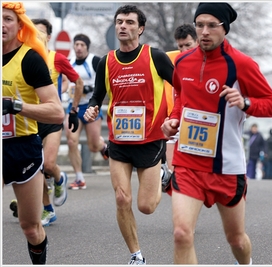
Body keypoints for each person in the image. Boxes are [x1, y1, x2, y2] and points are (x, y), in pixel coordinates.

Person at [161, 3, 272, 264]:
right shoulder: (182, 61)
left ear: (224, 29)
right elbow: (181, 96)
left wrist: (246, 102)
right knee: (182, 234)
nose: (204, 31)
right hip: (188, 162)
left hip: (226, 167)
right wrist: (172, 119)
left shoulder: (241, 64)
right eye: (199, 25)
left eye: (211, 26)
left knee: (236, 239)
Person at [83, 4, 174, 265]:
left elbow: (181, 86)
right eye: (119, 21)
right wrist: (91, 109)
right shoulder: (106, 61)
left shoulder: (155, 57)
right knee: (122, 198)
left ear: (140, 28)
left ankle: (160, 172)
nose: (123, 26)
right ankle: (136, 255)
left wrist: (174, 116)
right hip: (119, 140)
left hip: (150, 139)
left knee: (146, 207)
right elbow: (97, 97)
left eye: (130, 22)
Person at [2, 2, 65, 264]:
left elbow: (56, 112)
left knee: (30, 227)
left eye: (7, 19)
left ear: (19, 26)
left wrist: (15, 106)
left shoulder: (30, 59)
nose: (1, 24)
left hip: (22, 147)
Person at [32, 18, 84, 226]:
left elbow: (77, 82)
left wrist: (73, 110)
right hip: (30, 119)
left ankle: (59, 178)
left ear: (49, 37)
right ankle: (47, 209)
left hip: (52, 117)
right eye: (32, 31)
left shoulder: (57, 59)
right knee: (36, 168)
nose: (36, 35)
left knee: (48, 164)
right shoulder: (23, 58)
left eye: (41, 32)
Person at [66, 33, 108, 190]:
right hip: (74, 107)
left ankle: (102, 145)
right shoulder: (69, 63)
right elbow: (64, 82)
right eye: (76, 44)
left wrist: (92, 88)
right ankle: (79, 178)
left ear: (87, 47)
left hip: (91, 107)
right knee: (71, 141)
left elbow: (105, 79)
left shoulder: (94, 61)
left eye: (82, 45)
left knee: (93, 146)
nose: (78, 48)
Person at [163, 23, 198, 188]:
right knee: (175, 177)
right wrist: (173, 117)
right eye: (180, 47)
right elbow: (177, 94)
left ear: (197, 42)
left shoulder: (211, 61)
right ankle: (170, 176)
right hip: (180, 116)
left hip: (203, 121)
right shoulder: (176, 62)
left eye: (188, 45)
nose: (184, 50)